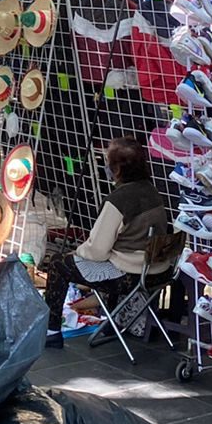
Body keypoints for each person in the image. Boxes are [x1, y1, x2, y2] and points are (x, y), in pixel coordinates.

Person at [42, 137, 176, 348]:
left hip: (130, 274)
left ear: (117, 168)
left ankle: (51, 332)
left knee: (59, 263)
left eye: (108, 162)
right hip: (159, 270)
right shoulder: (153, 192)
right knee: (103, 258)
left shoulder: (119, 200)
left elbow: (97, 251)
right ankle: (112, 320)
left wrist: (77, 252)